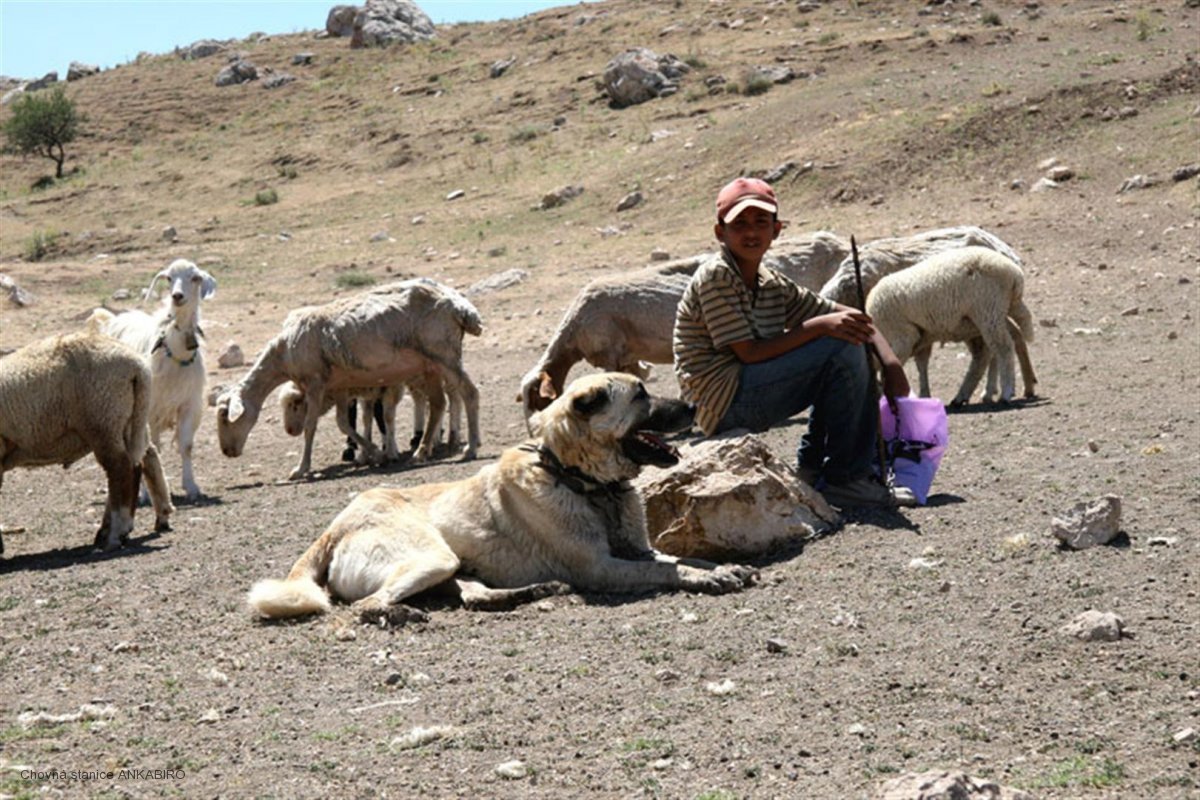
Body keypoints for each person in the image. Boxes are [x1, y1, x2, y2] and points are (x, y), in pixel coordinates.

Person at [672, 177, 916, 508]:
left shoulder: (770, 282)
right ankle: (847, 479)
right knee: (840, 348)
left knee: (841, 341)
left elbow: (845, 315)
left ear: (777, 230)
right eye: (739, 224)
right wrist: (818, 327)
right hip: (721, 401)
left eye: (761, 222)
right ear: (720, 233)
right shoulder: (718, 275)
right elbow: (748, 353)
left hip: (745, 389)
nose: (751, 232)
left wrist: (890, 362)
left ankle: (814, 469)